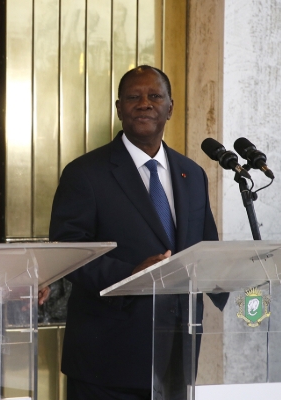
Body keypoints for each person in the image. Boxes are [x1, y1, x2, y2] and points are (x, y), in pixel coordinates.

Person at [49, 65, 226, 400]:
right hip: (107, 359)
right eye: (134, 97)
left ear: (170, 108)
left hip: (177, 351)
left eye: (155, 96)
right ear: (119, 108)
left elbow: (205, 247)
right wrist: (130, 275)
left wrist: (233, 274)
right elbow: (68, 249)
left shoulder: (192, 174)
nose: (145, 103)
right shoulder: (85, 173)